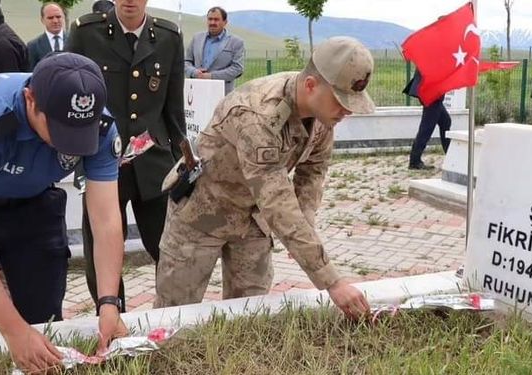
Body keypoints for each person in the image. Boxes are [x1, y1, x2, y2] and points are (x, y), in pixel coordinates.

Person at [154, 36, 373, 319]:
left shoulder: (323, 115)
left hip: (252, 219)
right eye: (342, 101)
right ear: (310, 86)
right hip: (202, 212)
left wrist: (305, 233)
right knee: (174, 314)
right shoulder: (258, 114)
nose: (348, 111)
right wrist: (331, 280)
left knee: (250, 313)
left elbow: (312, 174)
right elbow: (277, 199)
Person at [0, 53, 127, 373]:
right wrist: (13, 332)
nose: (68, 144)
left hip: (34, 205)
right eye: (60, 130)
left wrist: (108, 303)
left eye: (78, 133)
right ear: (30, 99)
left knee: (44, 319)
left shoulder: (99, 126)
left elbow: (107, 220)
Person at [67, 0, 186, 312]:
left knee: (169, 248)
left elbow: (173, 109)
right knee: (101, 250)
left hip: (154, 162)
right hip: (101, 160)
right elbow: (71, 99)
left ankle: (172, 313)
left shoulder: (168, 36)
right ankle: (111, 315)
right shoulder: (85, 32)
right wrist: (76, 158)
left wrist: (181, 159)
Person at [184, 6, 245, 95]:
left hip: (222, 94)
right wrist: (194, 72)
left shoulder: (236, 42)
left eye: (216, 19)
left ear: (225, 22)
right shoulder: (196, 38)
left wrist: (211, 76)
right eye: (210, 19)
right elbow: (186, 62)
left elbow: (237, 68)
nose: (212, 22)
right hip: (196, 93)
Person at [403, 70, 451, 170]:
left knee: (446, 122)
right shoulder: (434, 56)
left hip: (432, 92)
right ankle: (414, 161)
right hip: (431, 93)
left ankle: (451, 156)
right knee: (426, 128)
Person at [26, 2, 66, 71]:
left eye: (58, 17)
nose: (55, 21)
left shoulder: (74, 40)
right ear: (42, 20)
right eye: (50, 18)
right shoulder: (33, 46)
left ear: (63, 17)